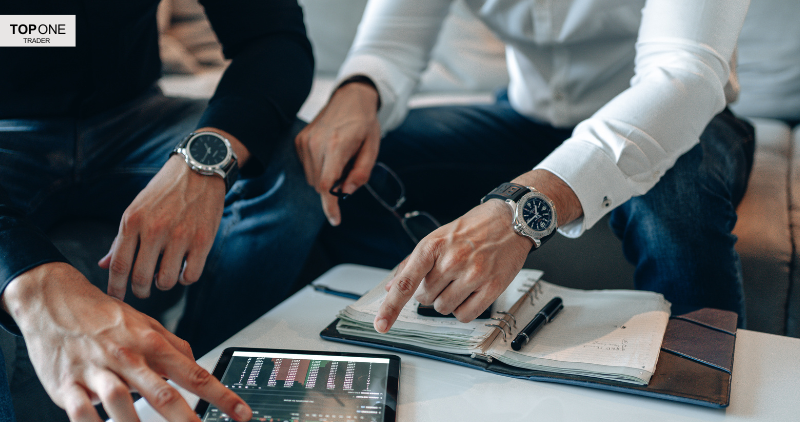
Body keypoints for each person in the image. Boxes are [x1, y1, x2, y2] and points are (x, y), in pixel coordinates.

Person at [0, 0, 325, 422]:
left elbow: (274, 38)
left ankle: (209, 373)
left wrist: (205, 158)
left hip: (133, 118)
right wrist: (32, 279)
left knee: (290, 168)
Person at [294, 0, 754, 334]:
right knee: (356, 163)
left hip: (682, 121)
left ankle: (701, 390)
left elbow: (684, 73)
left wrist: (521, 207)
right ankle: (399, 336)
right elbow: (391, 45)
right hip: (528, 117)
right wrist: (358, 92)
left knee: (673, 207)